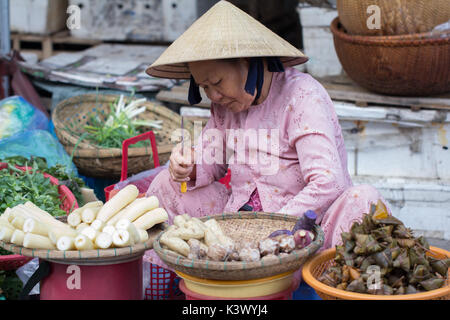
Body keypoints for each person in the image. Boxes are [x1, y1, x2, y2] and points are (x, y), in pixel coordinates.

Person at [144, 1, 390, 281]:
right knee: (167, 184)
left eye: (218, 82)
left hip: (303, 233)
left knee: (363, 199)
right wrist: (186, 167)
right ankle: (179, 284)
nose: (213, 95)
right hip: (239, 229)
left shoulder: (302, 97)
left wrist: (274, 226)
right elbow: (209, 164)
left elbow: (328, 182)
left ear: (248, 62)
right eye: (204, 87)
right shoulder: (225, 106)